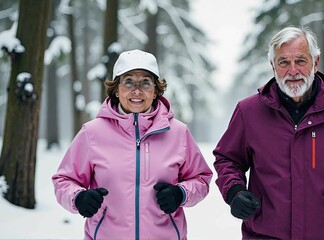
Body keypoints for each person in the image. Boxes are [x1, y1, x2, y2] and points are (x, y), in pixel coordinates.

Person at [213, 26, 324, 239]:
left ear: (315, 63)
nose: (293, 70)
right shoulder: (248, 112)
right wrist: (234, 191)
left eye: (301, 61)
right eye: (284, 62)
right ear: (273, 66)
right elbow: (227, 159)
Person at [52, 49, 212, 240]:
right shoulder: (92, 133)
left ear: (155, 91)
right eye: (128, 82)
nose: (137, 90)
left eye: (145, 82)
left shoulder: (178, 132)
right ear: (117, 90)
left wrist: (181, 193)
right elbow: (63, 180)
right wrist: (78, 197)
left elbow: (201, 178)